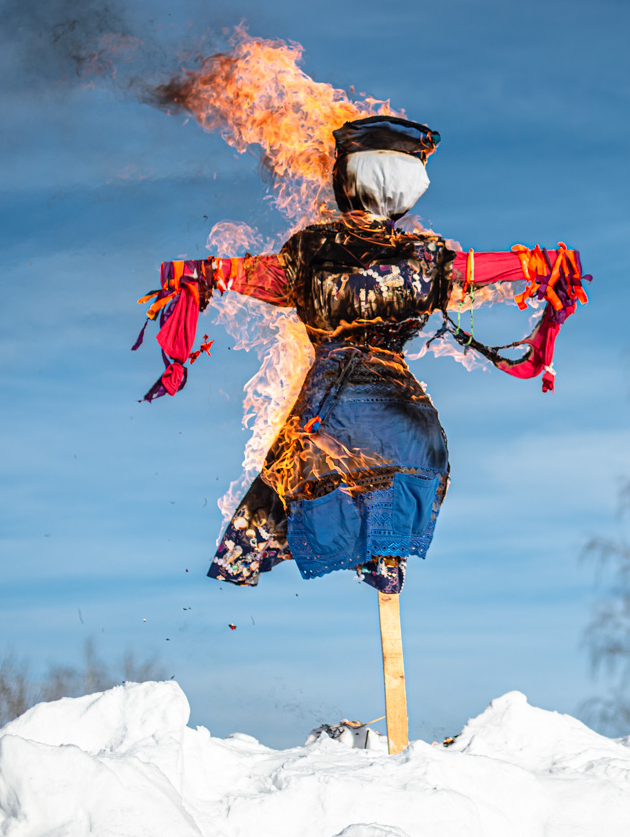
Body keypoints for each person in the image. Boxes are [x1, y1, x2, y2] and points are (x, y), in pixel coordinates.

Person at [134, 114, 587, 595]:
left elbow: (241, 274)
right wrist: (545, 266)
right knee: (380, 494)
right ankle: (382, 559)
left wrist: (197, 274)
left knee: (288, 489)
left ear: (345, 181)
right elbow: (496, 270)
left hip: (336, 409)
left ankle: (304, 554)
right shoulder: (430, 258)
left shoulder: (309, 251)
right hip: (408, 422)